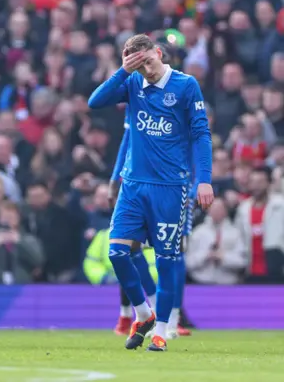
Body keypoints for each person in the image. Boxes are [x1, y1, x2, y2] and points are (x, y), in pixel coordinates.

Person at [88, 34, 214, 352]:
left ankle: (161, 329)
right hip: (133, 185)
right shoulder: (133, 84)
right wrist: (122, 71)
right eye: (138, 65)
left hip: (171, 188)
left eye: (148, 61)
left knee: (167, 259)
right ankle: (143, 313)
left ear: (158, 53)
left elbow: (201, 133)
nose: (147, 69)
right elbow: (95, 102)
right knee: (118, 252)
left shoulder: (186, 85)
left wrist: (205, 179)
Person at [108, 111, 157, 336]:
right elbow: (126, 141)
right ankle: (130, 313)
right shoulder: (134, 102)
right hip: (130, 184)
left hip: (160, 183)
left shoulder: (172, 96)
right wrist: (115, 178)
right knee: (124, 251)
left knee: (151, 252)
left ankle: (153, 311)